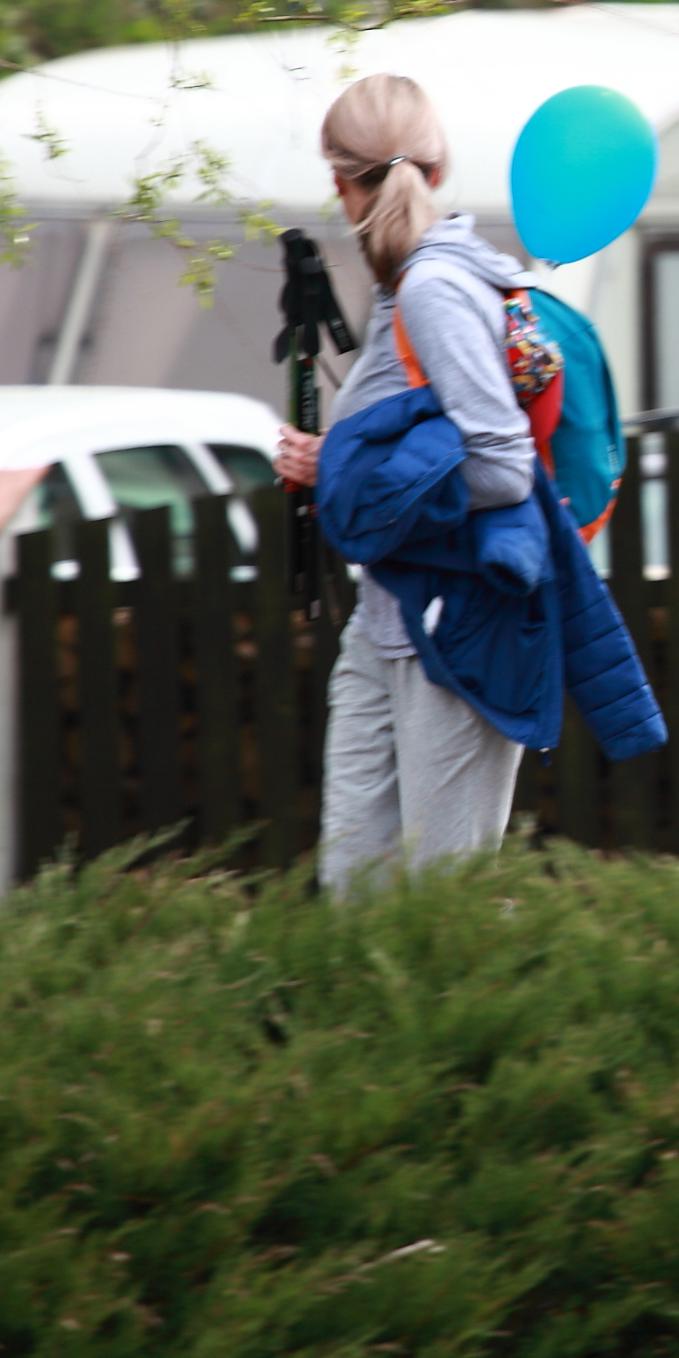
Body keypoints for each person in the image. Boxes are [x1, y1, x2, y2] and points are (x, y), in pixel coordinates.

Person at [273, 74, 536, 893]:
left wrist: (340, 467)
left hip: (454, 622)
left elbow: (503, 464)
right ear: (438, 166)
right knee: (357, 889)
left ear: (338, 182)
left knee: (444, 900)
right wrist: (337, 458)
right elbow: (420, 434)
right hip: (388, 615)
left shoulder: (435, 288)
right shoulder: (405, 285)